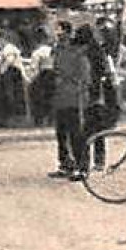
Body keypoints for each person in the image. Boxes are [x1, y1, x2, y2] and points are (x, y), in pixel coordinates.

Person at [49, 24, 97, 180]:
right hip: (60, 97)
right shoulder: (57, 51)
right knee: (61, 134)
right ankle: (65, 164)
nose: (59, 36)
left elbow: (85, 78)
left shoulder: (77, 53)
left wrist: (81, 95)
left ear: (69, 35)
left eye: (61, 33)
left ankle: (82, 167)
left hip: (75, 99)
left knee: (77, 134)